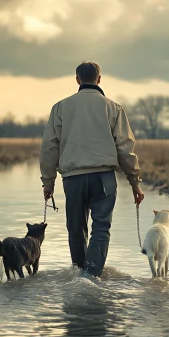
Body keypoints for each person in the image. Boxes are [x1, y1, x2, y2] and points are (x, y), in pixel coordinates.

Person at [39, 61, 145, 279]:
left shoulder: (60, 108)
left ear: (77, 80)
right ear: (99, 79)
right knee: (101, 228)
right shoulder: (114, 108)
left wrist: (48, 182)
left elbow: (49, 148)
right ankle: (92, 276)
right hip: (104, 178)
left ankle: (78, 274)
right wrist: (135, 182)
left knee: (76, 229)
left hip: (73, 179)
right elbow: (125, 148)